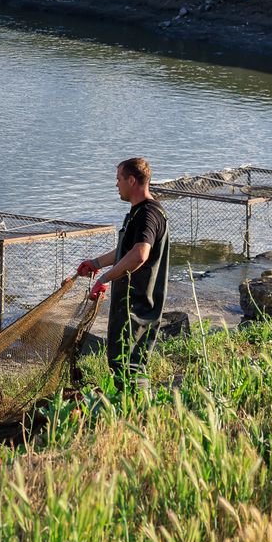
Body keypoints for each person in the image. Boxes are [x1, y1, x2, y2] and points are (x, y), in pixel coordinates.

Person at [77, 157, 170, 385]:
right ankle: (128, 415)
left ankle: (137, 417)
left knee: (129, 368)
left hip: (136, 307)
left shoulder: (149, 214)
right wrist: (96, 264)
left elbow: (140, 255)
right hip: (128, 306)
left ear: (131, 180)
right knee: (121, 366)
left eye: (118, 178)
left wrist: (106, 278)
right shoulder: (138, 213)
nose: (116, 184)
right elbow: (125, 251)